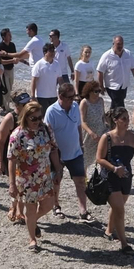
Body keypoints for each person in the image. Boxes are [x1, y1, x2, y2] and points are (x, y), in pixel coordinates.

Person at [7, 103, 60, 251]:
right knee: (30, 208)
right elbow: (11, 159)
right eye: (34, 118)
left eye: (39, 117)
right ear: (26, 117)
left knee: (49, 205)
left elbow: (54, 149)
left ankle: (33, 221)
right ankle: (32, 240)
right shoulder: (17, 135)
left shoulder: (46, 130)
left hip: (45, 176)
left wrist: (58, 169)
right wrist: (11, 184)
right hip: (26, 179)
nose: (37, 121)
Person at [97, 106, 134, 252]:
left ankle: (109, 230)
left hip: (126, 177)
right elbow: (99, 159)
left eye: (127, 118)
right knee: (120, 210)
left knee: (118, 206)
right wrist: (114, 168)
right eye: (124, 119)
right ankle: (124, 244)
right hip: (109, 177)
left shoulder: (132, 137)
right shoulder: (107, 138)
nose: (127, 121)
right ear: (115, 120)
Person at [44, 82, 90, 220]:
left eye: (74, 96)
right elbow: (48, 134)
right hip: (57, 154)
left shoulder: (75, 107)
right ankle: (56, 206)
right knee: (56, 180)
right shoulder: (51, 111)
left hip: (75, 152)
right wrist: (53, 156)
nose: (72, 100)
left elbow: (78, 127)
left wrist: (81, 144)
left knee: (81, 181)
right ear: (61, 96)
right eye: (70, 97)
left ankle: (83, 210)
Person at [96, 35, 134, 110]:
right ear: (113, 44)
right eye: (118, 44)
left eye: (122, 44)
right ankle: (119, 119)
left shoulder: (128, 54)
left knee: (115, 105)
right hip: (112, 86)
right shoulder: (106, 56)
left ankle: (110, 118)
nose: (120, 46)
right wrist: (101, 86)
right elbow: (100, 71)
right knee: (120, 106)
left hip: (124, 85)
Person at [78, 80, 107, 175]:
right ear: (89, 91)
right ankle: (84, 181)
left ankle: (103, 178)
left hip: (101, 132)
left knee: (102, 157)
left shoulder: (101, 101)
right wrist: (91, 133)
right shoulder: (84, 103)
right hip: (89, 134)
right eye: (96, 91)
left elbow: (103, 117)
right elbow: (82, 121)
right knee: (85, 159)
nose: (98, 93)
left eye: (99, 91)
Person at [30, 43, 63, 110]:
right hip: (41, 96)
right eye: (50, 51)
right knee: (43, 116)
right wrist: (33, 96)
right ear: (45, 52)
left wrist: (63, 92)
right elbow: (34, 80)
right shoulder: (39, 64)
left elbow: (60, 79)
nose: (53, 53)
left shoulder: (57, 64)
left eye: (53, 51)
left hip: (53, 95)